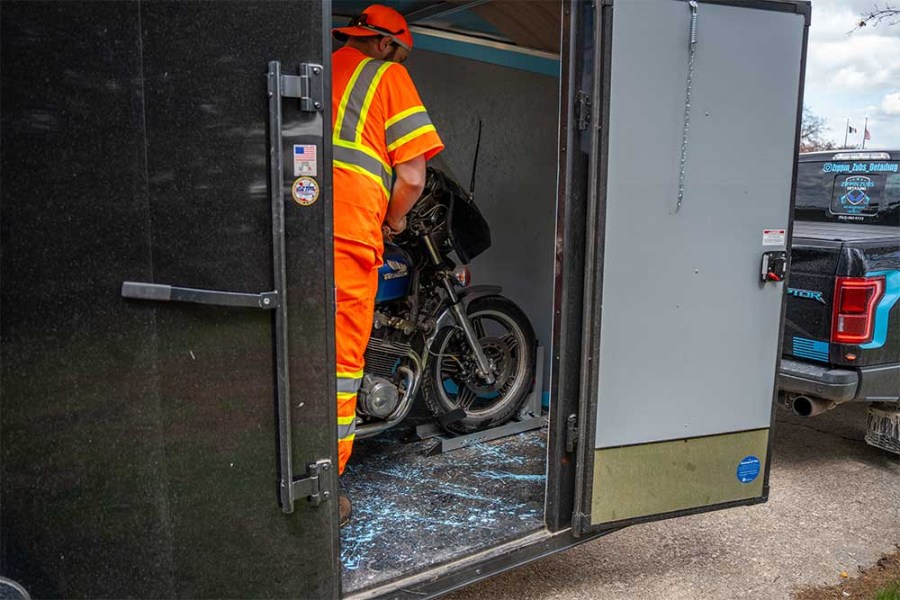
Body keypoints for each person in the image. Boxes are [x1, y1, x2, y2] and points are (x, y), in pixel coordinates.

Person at [331, 4, 444, 527]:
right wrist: (393, 221)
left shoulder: (321, 68)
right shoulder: (386, 74)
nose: (403, 61)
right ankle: (325, 489)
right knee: (340, 366)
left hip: (294, 232)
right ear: (383, 44)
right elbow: (414, 177)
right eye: (403, 52)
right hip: (349, 228)